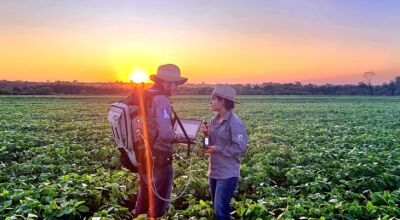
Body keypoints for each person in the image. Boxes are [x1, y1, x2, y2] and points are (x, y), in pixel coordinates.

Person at [134, 64, 187, 218]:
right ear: (167, 82)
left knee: (144, 197)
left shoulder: (147, 94)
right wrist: (178, 137)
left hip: (143, 154)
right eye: (175, 83)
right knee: (159, 202)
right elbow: (165, 134)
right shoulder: (161, 99)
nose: (176, 87)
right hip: (159, 156)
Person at [200, 84, 249, 220]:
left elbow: (240, 148)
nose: (211, 102)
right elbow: (207, 147)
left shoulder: (235, 122)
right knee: (218, 210)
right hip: (214, 172)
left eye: (213, 99)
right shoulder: (213, 121)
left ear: (222, 101)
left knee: (221, 212)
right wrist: (206, 136)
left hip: (227, 174)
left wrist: (218, 149)